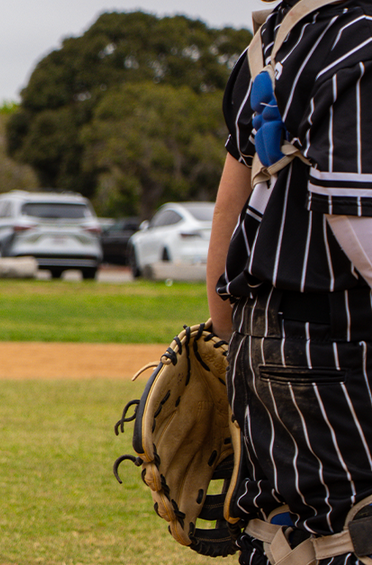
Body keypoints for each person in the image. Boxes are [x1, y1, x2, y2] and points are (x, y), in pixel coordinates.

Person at [206, 2, 372, 563]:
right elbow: (358, 224)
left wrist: (235, 339)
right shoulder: (362, 36)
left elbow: (232, 199)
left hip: (269, 334)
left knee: (280, 531)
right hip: (345, 342)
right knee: (354, 534)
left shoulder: (278, 31)